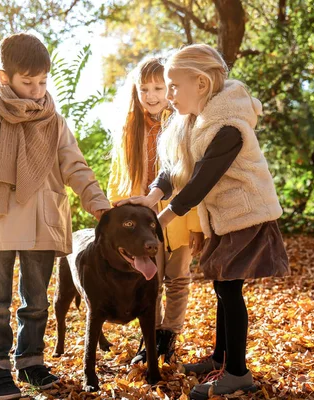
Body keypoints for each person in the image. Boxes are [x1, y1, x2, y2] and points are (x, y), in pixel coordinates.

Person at [115, 44, 290, 400]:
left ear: (201, 83)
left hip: (246, 217)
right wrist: (151, 197)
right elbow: (174, 169)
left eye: (174, 87)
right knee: (223, 287)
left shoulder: (229, 127)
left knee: (229, 288)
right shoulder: (192, 119)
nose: (169, 96)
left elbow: (198, 185)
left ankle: (238, 373)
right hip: (223, 219)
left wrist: (158, 221)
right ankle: (222, 357)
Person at [0, 32, 110, 399]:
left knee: (37, 300)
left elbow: (76, 167)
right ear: (3, 77)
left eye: (42, 82)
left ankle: (31, 362)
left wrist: (99, 204)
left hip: (42, 221)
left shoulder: (54, 122)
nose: (38, 90)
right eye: (28, 82)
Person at [107, 56, 205, 364]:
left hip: (180, 212)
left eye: (158, 88)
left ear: (170, 89)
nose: (151, 96)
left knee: (177, 278)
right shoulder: (129, 129)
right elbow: (119, 174)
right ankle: (149, 337)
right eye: (144, 89)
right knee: (148, 278)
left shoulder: (182, 122)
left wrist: (199, 225)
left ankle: (167, 337)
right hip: (144, 216)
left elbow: (194, 176)